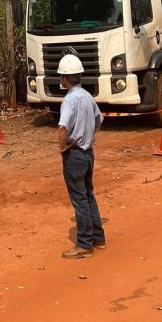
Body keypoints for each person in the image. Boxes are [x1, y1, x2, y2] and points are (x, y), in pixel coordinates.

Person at [57, 54, 106, 259]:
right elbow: (99, 119)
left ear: (65, 78)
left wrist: (63, 148)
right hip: (88, 153)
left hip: (75, 154)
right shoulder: (87, 96)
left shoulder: (69, 100)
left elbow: (62, 128)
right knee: (88, 194)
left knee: (79, 199)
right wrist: (89, 136)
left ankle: (84, 244)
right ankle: (98, 238)